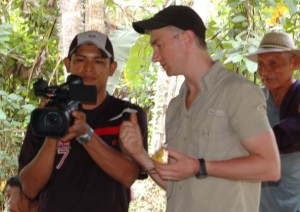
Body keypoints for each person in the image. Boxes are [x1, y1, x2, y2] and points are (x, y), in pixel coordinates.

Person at [119, 5, 281, 212]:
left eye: (159, 45)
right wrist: (139, 154)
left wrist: (200, 167)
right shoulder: (176, 106)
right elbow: (175, 185)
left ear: (187, 38)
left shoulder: (237, 91)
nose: (155, 57)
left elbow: (270, 167)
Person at [18, 30, 148, 212]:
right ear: (67, 64)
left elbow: (128, 176)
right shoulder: (46, 116)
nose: (88, 68)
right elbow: (29, 189)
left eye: (98, 61)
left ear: (112, 68)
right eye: (80, 60)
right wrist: (54, 132)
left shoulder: (127, 115)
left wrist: (86, 134)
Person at [246, 31, 300, 212]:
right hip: (260, 205)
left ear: (295, 63)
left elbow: (282, 138)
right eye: (261, 64)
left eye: (273, 63)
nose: (265, 71)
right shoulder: (255, 100)